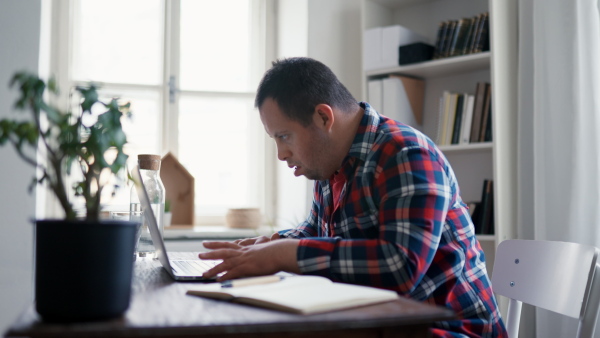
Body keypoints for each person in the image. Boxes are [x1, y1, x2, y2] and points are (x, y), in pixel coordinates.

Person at [199, 57, 507, 337]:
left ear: (323, 117)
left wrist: (284, 254)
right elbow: (315, 231)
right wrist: (268, 244)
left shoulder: (406, 154)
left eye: (284, 136)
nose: (281, 154)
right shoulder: (329, 162)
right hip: (383, 323)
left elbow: (401, 266)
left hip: (450, 330)